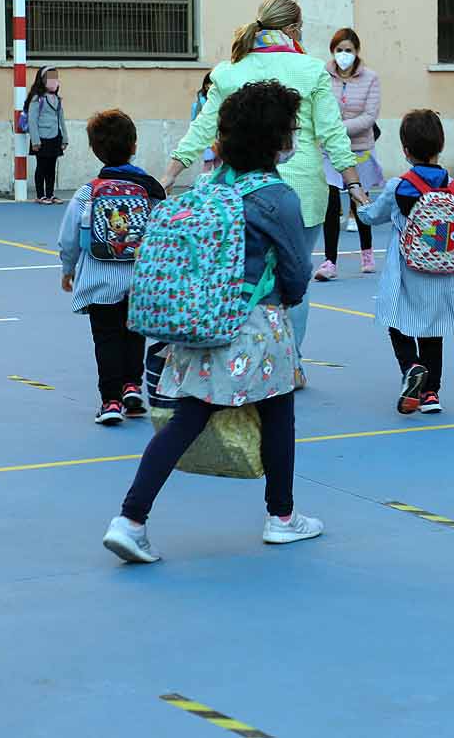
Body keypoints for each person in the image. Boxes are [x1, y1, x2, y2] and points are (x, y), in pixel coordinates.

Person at [103, 81, 321, 564]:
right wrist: (289, 297)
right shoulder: (278, 198)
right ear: (278, 140)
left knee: (186, 420)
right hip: (257, 322)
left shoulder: (211, 187)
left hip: (205, 318)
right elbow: (296, 269)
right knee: (279, 410)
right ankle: (281, 516)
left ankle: (131, 518)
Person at [163, 0, 365, 360]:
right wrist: (352, 182)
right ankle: (291, 361)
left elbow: (202, 128)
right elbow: (332, 134)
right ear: (292, 30)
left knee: (239, 274)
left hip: (238, 190)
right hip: (299, 190)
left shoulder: (228, 71)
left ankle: (235, 354)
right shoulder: (311, 70)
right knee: (296, 278)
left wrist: (170, 173)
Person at [358, 109, 454, 415]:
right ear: (440, 146)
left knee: (397, 322)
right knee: (433, 331)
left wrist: (358, 198)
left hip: (407, 271)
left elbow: (371, 216)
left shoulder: (398, 187)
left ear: (405, 150)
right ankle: (431, 394)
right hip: (446, 272)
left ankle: (411, 367)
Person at [57, 109, 167, 426]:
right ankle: (132, 385)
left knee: (106, 338)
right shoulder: (150, 189)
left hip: (100, 281)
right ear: (134, 145)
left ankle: (110, 401)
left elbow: (69, 239)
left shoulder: (88, 192)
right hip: (141, 279)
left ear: (95, 150)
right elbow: (163, 231)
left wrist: (68, 268)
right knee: (134, 334)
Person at [316, 28, 383, 281]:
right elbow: (318, 108)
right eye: (339, 50)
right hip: (330, 151)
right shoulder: (322, 75)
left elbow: (369, 116)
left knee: (360, 202)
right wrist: (330, 132)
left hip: (359, 149)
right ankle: (329, 261)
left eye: (349, 50)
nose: (344, 55)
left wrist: (338, 128)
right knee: (331, 204)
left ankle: (367, 253)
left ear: (357, 52)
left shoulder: (371, 78)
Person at [24, 66, 67, 204]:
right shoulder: (37, 98)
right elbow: (32, 119)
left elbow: (61, 120)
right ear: (42, 81)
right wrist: (35, 140)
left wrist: (64, 138)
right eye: (50, 78)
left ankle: (50, 193)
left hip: (55, 136)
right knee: (41, 166)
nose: (54, 81)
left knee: (52, 167)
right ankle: (40, 195)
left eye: (55, 78)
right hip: (42, 138)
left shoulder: (58, 99)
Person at [191, 73, 218, 174]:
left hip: (219, 137)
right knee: (208, 162)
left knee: (218, 163)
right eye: (210, 83)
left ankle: (217, 185)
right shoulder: (199, 104)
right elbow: (194, 122)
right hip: (207, 137)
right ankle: (202, 185)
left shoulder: (219, 100)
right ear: (206, 85)